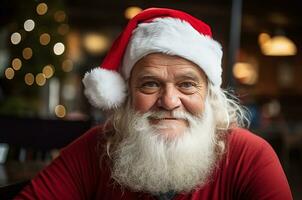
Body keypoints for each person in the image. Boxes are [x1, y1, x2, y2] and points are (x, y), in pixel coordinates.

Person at [15, 8, 292, 200]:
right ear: (128, 94)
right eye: (150, 84)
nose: (170, 102)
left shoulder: (249, 157)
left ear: (208, 94)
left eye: (186, 84)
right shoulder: (97, 148)